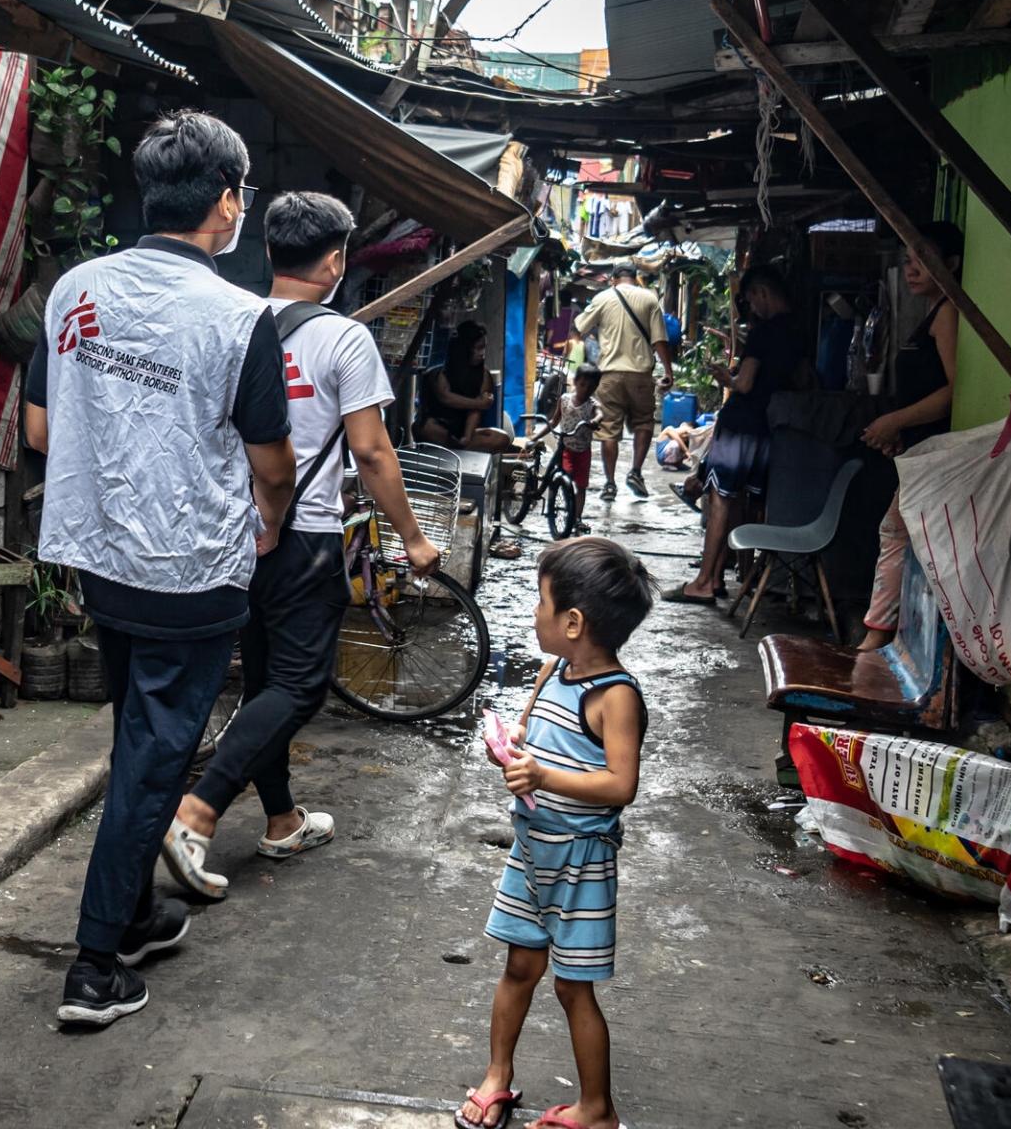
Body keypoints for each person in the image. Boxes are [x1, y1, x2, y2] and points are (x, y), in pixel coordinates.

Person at [23, 110, 296, 1028]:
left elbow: (37, 430)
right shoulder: (240, 315)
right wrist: (267, 519)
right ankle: (94, 966)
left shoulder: (75, 289)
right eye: (242, 192)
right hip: (190, 569)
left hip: (101, 558)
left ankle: (135, 914)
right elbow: (270, 461)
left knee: (138, 737)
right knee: (155, 755)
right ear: (225, 202)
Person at [160, 192, 441, 899]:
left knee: (265, 684)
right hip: (304, 535)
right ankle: (196, 812)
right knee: (300, 684)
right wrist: (412, 536)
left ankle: (282, 819)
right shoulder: (343, 339)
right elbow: (372, 453)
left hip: (231, 536)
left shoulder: (235, 321)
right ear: (337, 260)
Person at [457, 537, 654, 1129]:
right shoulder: (553, 669)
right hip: (532, 849)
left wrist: (544, 773)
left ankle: (597, 1109)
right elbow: (531, 735)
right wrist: (513, 752)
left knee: (573, 988)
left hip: (580, 861)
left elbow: (621, 784)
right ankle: (497, 1077)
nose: (534, 614)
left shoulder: (615, 697)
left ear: (573, 621)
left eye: (541, 603)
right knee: (519, 967)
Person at [665, 266, 800, 605]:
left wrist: (726, 377)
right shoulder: (797, 331)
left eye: (751, 299)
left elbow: (745, 383)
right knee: (744, 501)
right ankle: (730, 577)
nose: (751, 307)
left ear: (762, 292)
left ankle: (705, 581)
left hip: (740, 423)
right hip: (766, 427)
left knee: (720, 499)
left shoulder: (763, 332)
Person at [858, 223, 962, 650]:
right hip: (919, 450)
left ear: (952, 264)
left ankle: (877, 635)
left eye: (923, 259)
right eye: (908, 261)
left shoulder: (949, 314)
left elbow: (954, 392)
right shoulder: (933, 312)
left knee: (895, 531)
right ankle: (887, 637)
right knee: (902, 534)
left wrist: (895, 420)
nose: (911, 269)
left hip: (936, 452)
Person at [575, 270, 673, 502]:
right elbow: (659, 340)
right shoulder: (650, 299)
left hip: (609, 375)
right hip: (640, 375)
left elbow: (580, 328)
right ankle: (636, 472)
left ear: (613, 278)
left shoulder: (603, 298)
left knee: (608, 429)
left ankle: (610, 484)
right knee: (644, 423)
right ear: (635, 276)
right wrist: (668, 371)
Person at [416, 321, 517, 452]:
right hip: (440, 428)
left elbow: (475, 411)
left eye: (484, 348)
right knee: (425, 428)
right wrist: (478, 403)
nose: (482, 353)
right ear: (465, 348)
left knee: (501, 438)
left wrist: (467, 437)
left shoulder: (484, 375)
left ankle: (458, 448)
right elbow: (446, 398)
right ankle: (455, 447)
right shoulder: (440, 373)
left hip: (464, 432)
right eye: (478, 348)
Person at [551, 363, 602, 533]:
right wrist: (535, 437)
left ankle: (577, 517)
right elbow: (554, 421)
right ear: (575, 382)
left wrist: (595, 421)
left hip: (583, 451)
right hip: (566, 448)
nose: (586, 389)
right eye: (582, 385)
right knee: (566, 476)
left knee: (581, 486)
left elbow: (600, 414)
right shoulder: (564, 400)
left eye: (591, 386)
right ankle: (566, 509)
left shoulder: (593, 404)